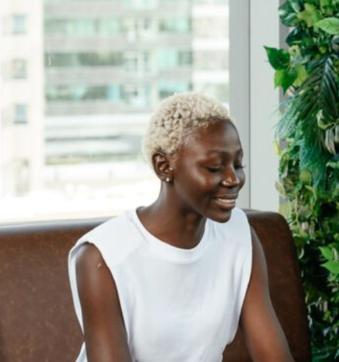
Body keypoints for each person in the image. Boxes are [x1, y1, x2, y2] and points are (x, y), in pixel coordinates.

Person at [67, 93, 293, 362]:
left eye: (238, 164)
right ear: (164, 167)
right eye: (214, 167)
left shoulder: (239, 236)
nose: (234, 179)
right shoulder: (103, 257)